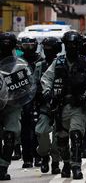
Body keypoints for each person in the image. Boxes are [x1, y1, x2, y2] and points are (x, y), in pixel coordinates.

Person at [41, 31, 86, 179]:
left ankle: (76, 166)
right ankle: (66, 162)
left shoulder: (85, 63)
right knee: (62, 140)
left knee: (76, 135)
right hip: (60, 107)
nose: (71, 47)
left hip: (78, 107)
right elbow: (46, 78)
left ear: (78, 46)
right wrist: (47, 92)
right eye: (68, 45)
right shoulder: (57, 62)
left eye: (74, 45)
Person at [34, 37, 63, 174]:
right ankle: (44, 155)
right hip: (44, 105)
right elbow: (33, 86)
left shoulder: (62, 64)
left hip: (60, 105)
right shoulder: (39, 66)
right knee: (42, 132)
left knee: (58, 136)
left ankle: (56, 161)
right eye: (45, 48)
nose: (47, 50)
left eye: (50, 48)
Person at [0, 32, 26, 180]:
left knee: (10, 135)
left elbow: (27, 82)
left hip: (12, 104)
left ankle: (3, 167)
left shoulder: (20, 64)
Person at [19, 36, 43, 168]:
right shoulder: (18, 62)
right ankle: (27, 158)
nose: (28, 48)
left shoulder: (41, 60)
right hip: (23, 98)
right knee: (24, 129)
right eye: (25, 45)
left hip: (39, 97)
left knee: (38, 129)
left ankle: (38, 155)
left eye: (30, 45)